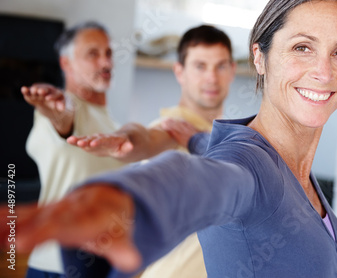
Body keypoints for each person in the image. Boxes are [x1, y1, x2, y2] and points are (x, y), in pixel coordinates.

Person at [4, 0, 337, 278]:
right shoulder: (248, 164)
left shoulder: (266, 156)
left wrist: (192, 139)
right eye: (302, 47)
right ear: (259, 57)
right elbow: (206, 179)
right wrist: (122, 204)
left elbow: (205, 149)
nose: (324, 72)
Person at [65, 24, 236, 278]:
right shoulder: (172, 128)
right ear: (179, 72)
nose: (212, 77)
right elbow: (146, 138)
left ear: (232, 70)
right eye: (200, 66)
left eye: (220, 66)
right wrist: (126, 138)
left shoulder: (229, 136)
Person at [20, 21, 125, 278]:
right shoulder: (58, 111)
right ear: (66, 63)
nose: (105, 63)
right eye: (93, 54)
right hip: (56, 268)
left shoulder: (114, 126)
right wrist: (59, 115)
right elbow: (64, 121)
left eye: (108, 53)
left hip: (101, 267)